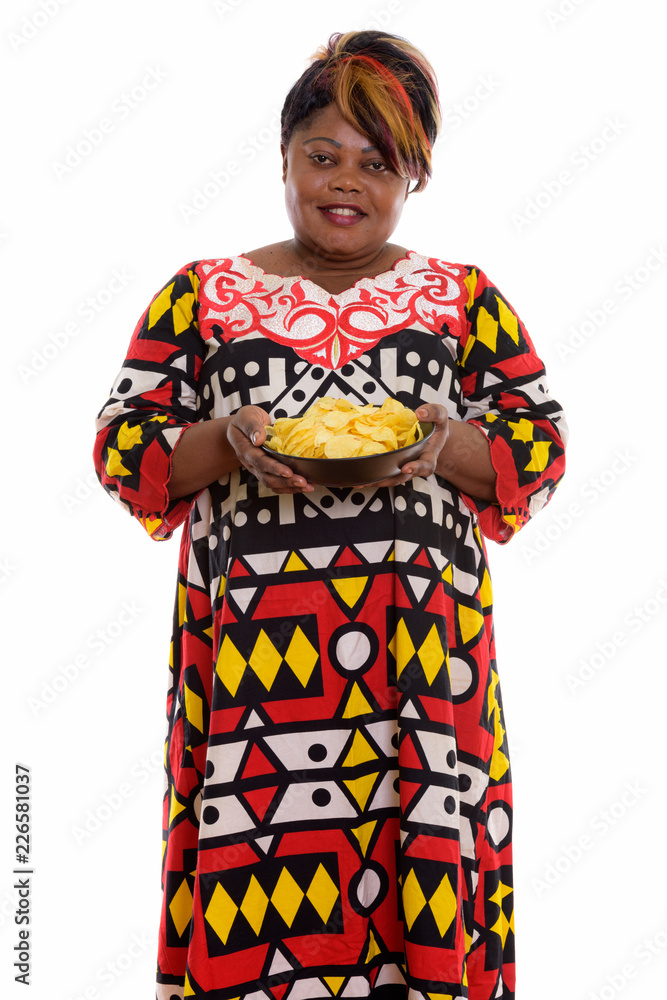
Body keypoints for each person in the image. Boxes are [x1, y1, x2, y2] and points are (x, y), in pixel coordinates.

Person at [93, 29, 567, 1000]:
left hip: (421, 695)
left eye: (376, 164)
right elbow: (122, 448)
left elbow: (539, 447)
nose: (343, 182)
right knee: (258, 913)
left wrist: (443, 442)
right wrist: (228, 440)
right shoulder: (203, 300)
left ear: (414, 179)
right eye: (321, 156)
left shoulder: (462, 303)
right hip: (256, 700)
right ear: (282, 160)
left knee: (418, 904)